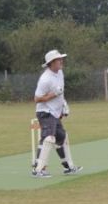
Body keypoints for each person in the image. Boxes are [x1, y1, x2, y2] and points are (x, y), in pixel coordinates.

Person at [32, 49, 83, 178]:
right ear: (51, 63)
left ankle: (69, 167)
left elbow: (61, 93)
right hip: (45, 112)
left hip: (55, 112)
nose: (61, 61)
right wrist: (53, 95)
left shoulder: (60, 73)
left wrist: (64, 105)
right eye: (58, 60)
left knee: (62, 137)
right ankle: (38, 170)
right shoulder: (45, 79)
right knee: (49, 138)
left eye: (61, 59)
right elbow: (37, 99)